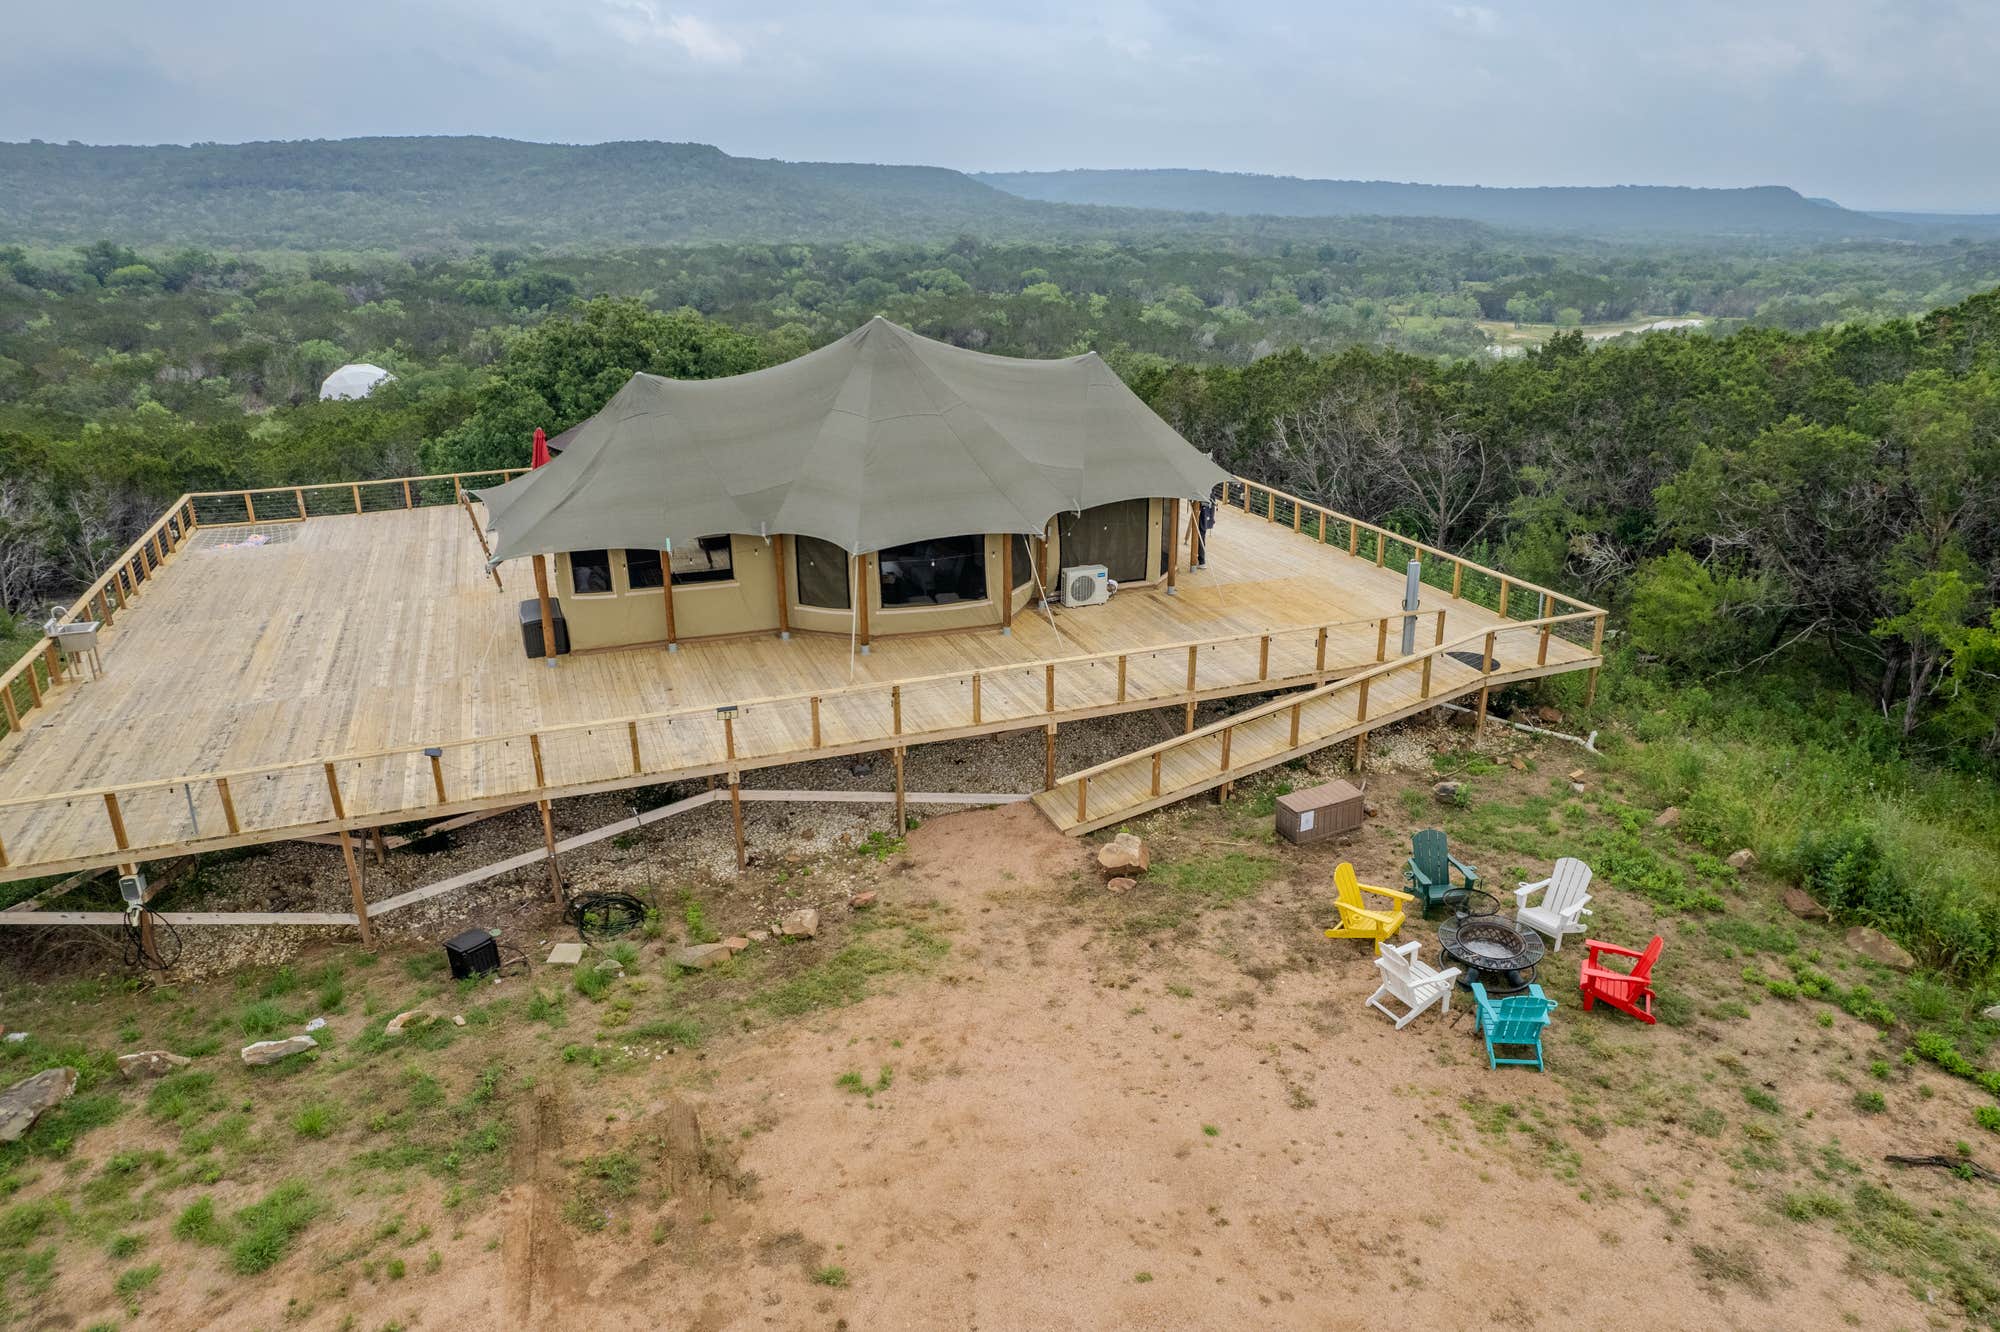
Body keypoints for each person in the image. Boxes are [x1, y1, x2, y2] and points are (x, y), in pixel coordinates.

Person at [1196, 485, 1219, 568]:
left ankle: (1202, 561)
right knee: (1202, 532)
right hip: (1209, 505)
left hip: (1205, 507)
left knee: (1201, 533)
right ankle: (1201, 559)